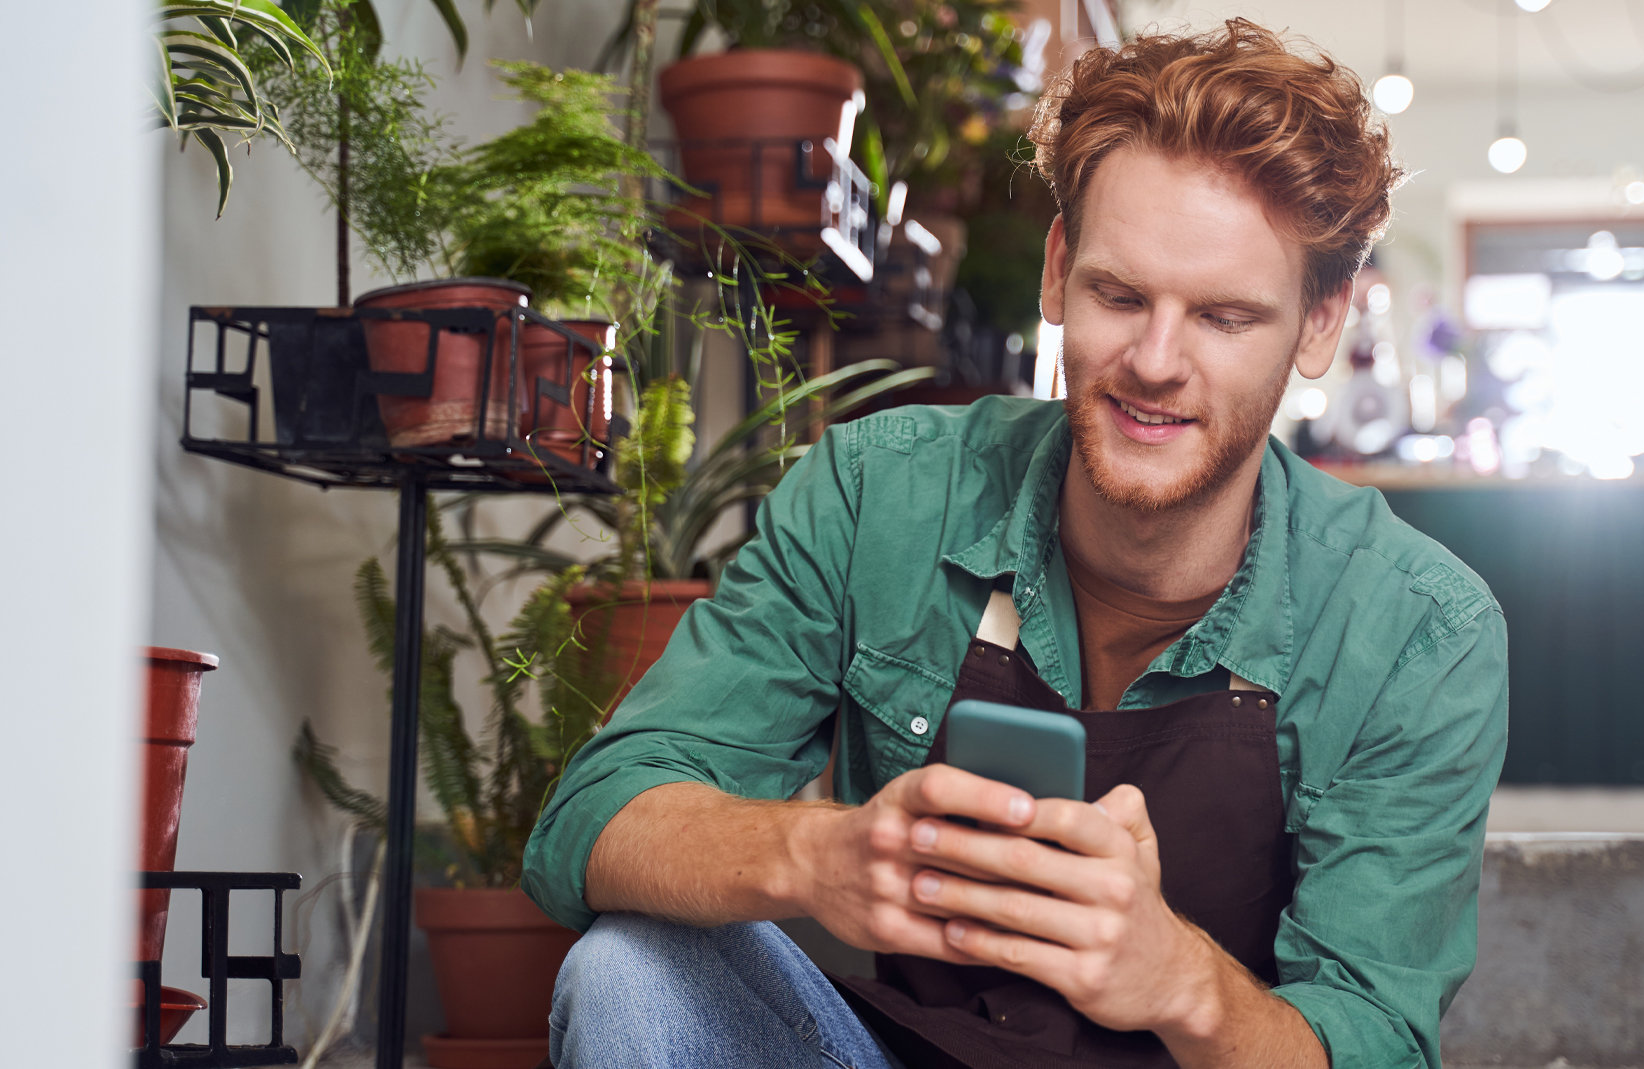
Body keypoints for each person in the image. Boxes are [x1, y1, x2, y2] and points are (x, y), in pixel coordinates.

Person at [523, 18, 1508, 1069]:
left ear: (1318, 325)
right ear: (1056, 270)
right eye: (1118, 295)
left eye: (1223, 317)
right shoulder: (875, 493)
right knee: (628, 970)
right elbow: (595, 816)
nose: (1154, 361)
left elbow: (1376, 1043)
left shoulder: (1417, 630)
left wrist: (1181, 980)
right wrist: (825, 854)